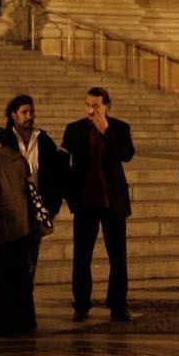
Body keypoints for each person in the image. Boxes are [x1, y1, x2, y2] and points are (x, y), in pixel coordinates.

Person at [62, 86, 134, 322]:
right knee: (82, 256)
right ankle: (81, 304)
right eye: (88, 105)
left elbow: (126, 154)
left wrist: (106, 131)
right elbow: (63, 160)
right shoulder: (74, 129)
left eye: (96, 106)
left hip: (112, 201)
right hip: (85, 201)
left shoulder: (120, 128)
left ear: (107, 107)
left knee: (118, 256)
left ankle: (118, 304)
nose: (91, 110)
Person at [0, 120, 38, 335]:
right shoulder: (16, 157)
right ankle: (27, 320)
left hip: (3, 229)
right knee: (21, 276)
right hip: (24, 225)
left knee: (4, 277)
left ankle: (6, 324)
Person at [3, 94, 67, 293]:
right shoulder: (4, 140)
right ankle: (3, 309)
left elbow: (57, 176)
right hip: (12, 211)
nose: (29, 116)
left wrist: (52, 207)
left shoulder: (44, 140)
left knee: (31, 259)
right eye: (24, 112)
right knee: (8, 263)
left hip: (37, 210)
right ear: (13, 115)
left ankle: (25, 307)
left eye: (31, 112)